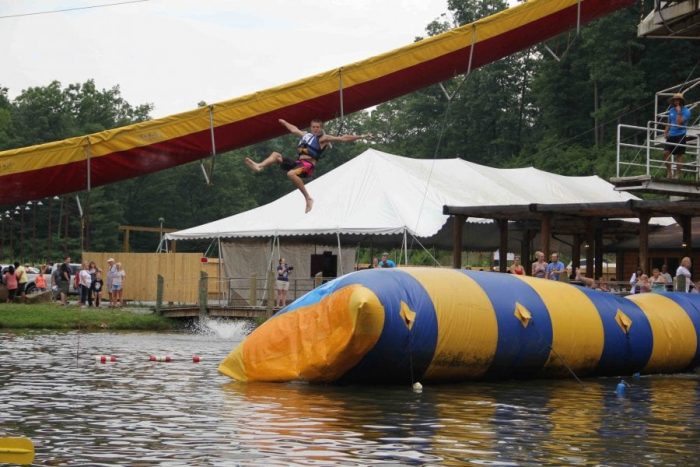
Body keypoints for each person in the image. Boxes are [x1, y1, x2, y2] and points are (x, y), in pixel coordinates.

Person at [244, 118, 370, 213]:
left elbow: (343, 138)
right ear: (311, 127)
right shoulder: (306, 135)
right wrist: (284, 122)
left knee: (291, 174)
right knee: (276, 155)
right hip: (298, 163)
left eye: (317, 127)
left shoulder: (323, 138)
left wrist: (361, 136)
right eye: (313, 127)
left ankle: (308, 198)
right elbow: (294, 129)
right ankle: (259, 166)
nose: (315, 129)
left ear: (321, 128)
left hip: (308, 166)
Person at [663, 93, 691, 178]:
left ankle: (678, 174)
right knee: (665, 153)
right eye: (675, 100)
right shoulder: (671, 110)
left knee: (679, 155)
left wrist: (679, 112)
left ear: (681, 101)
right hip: (671, 135)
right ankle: (669, 172)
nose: (676, 101)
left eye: (678, 100)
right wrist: (666, 131)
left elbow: (679, 123)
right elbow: (669, 122)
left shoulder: (686, 111)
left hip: (680, 135)